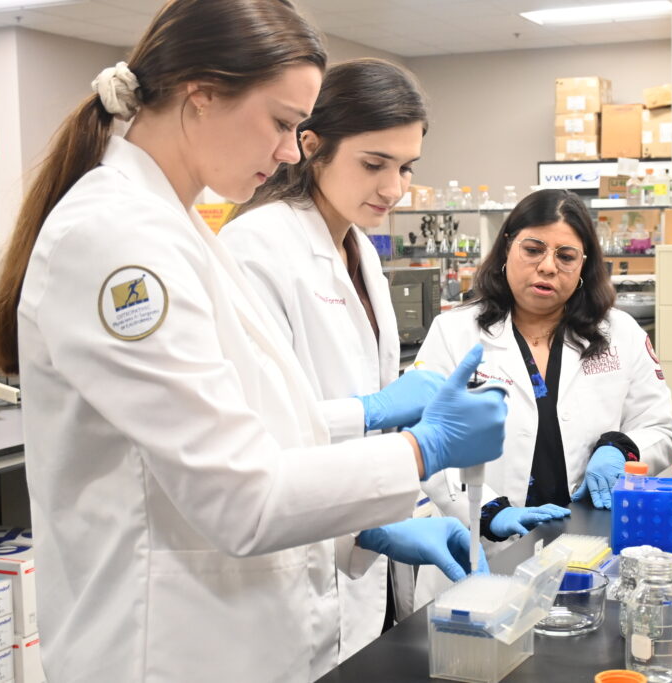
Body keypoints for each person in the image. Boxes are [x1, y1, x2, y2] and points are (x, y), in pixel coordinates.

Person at [0, 2, 506, 681]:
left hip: (238, 634)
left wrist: (367, 431)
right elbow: (239, 495)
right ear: (202, 94)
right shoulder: (115, 242)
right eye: (284, 123)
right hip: (166, 649)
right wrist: (416, 448)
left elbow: (245, 425)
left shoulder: (172, 226)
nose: (293, 149)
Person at [219, 58, 433, 659]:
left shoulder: (362, 250)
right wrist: (368, 410)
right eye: (374, 164)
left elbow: (384, 416)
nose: (394, 188)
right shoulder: (257, 248)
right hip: (300, 556)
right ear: (311, 146)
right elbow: (256, 427)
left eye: (406, 167)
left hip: (366, 545)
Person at [417, 189, 672, 558]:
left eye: (566, 256)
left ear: (583, 266)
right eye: (533, 249)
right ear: (507, 247)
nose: (548, 266)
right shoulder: (454, 332)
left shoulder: (621, 333)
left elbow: (660, 430)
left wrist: (622, 449)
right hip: (485, 545)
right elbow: (426, 441)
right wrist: (490, 511)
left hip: (592, 542)